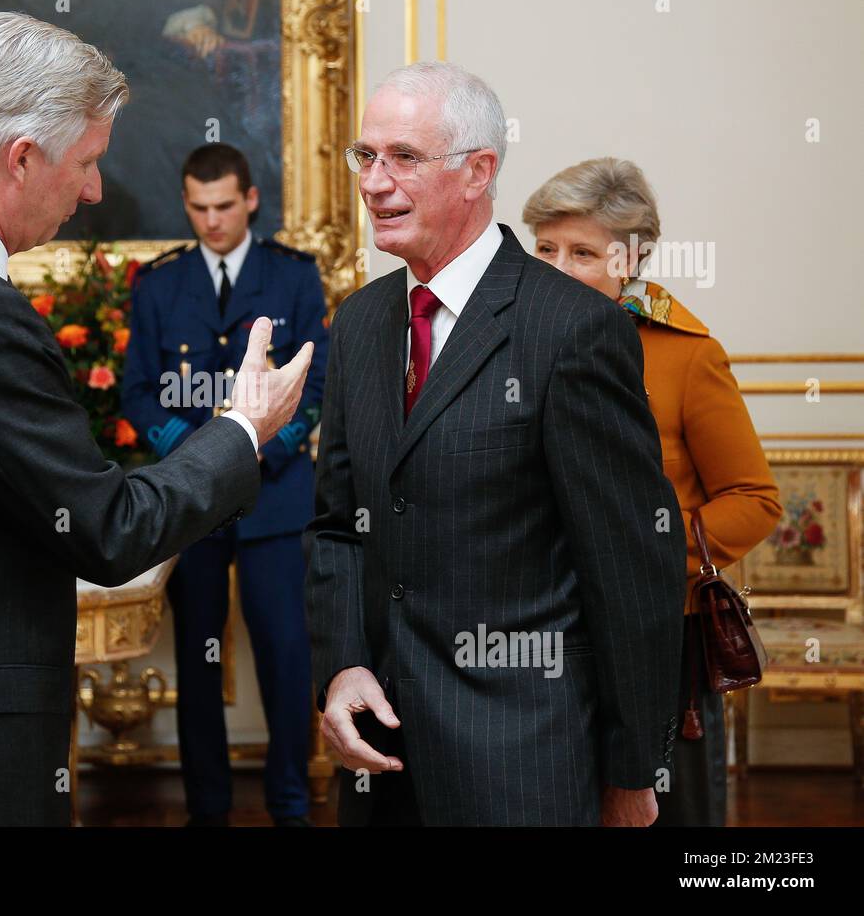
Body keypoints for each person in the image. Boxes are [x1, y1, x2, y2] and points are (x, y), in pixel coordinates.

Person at [0, 12, 312, 826]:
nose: (92, 191)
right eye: (86, 162)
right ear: (21, 157)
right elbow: (109, 531)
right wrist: (242, 428)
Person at [305, 61, 685, 826]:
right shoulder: (360, 324)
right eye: (364, 157)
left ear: (479, 170)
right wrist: (343, 666)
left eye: (403, 158)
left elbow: (629, 567)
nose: (374, 182)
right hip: (382, 755)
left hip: (528, 761)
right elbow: (339, 527)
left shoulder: (573, 329)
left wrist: (632, 767)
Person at [523, 157, 782, 826]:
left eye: (582, 252)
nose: (555, 268)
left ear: (630, 258)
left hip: (658, 639)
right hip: (537, 630)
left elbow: (755, 499)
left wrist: (648, 558)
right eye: (544, 248)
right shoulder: (507, 344)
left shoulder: (686, 353)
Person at [122, 143, 327, 826]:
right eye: (198, 208)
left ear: (250, 201)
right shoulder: (158, 284)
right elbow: (140, 396)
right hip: (192, 502)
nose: (211, 221)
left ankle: (291, 805)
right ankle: (207, 811)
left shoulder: (294, 276)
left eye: (224, 206)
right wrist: (200, 459)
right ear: (187, 203)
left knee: (285, 656)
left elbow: (318, 385)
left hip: (277, 496)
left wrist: (261, 450)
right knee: (198, 658)